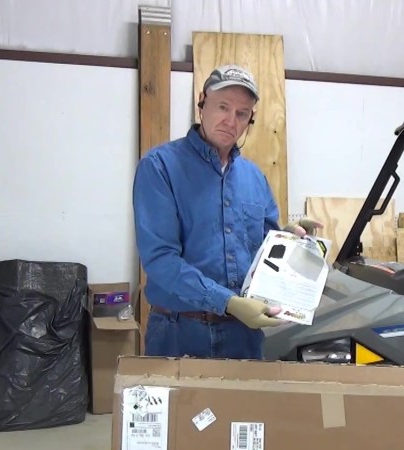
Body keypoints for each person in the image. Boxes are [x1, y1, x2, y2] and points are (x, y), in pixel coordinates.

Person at [132, 64, 321, 360]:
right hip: (179, 333)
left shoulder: (254, 178)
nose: (231, 121)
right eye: (223, 107)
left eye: (242, 113)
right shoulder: (160, 167)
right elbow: (160, 261)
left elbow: (263, 250)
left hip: (242, 336)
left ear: (250, 119)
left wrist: (288, 239)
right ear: (202, 101)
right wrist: (227, 302)